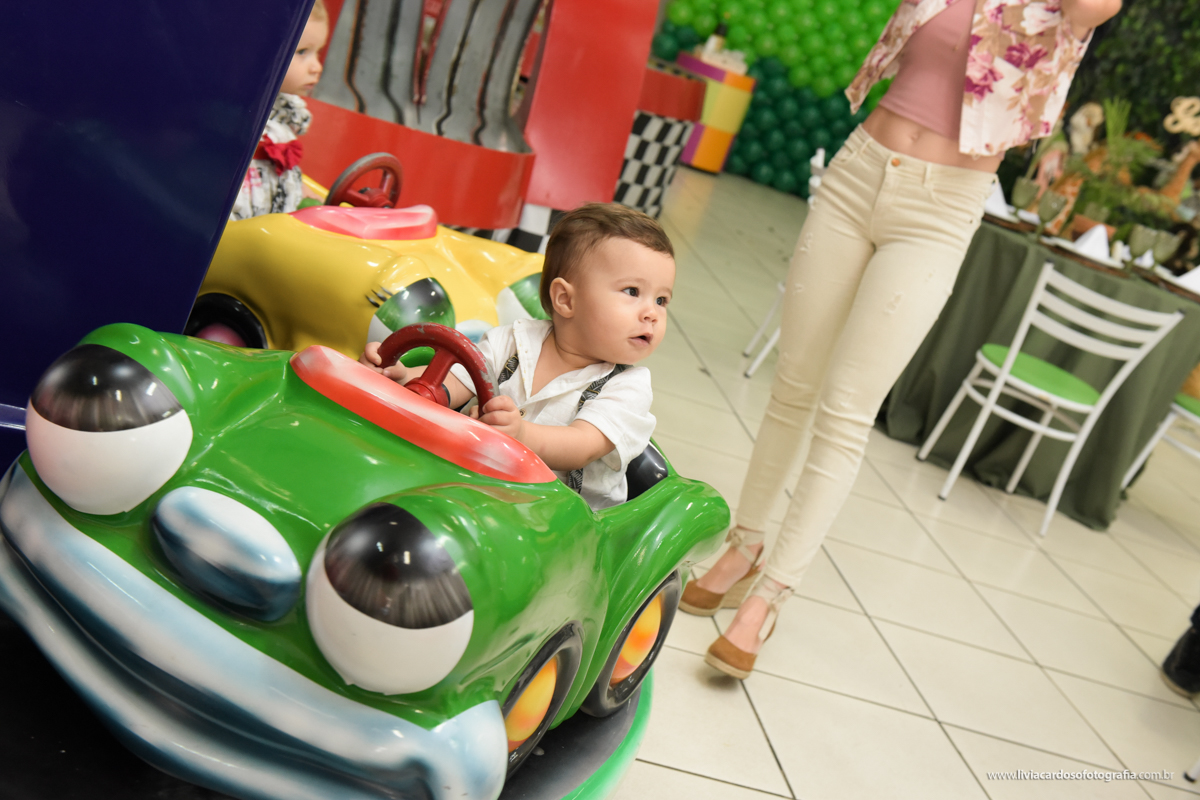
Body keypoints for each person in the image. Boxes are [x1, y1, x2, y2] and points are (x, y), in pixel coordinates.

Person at [682, 0, 1124, 679]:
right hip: (859, 172)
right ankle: (745, 545)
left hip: (942, 208)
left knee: (846, 411)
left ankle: (770, 597)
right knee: (793, 385)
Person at [360, 203, 675, 510]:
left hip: (557, 516)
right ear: (566, 299)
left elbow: (582, 445)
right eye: (632, 292)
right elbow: (452, 381)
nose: (652, 313)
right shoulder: (511, 340)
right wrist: (402, 377)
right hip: (475, 483)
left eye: (661, 300)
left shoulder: (629, 387)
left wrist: (521, 434)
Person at [229, 0, 329, 220]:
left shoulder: (286, 112)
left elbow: (277, 172)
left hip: (272, 216)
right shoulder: (238, 115)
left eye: (318, 52)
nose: (317, 67)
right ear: (261, 52)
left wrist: (301, 190)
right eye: (302, 52)